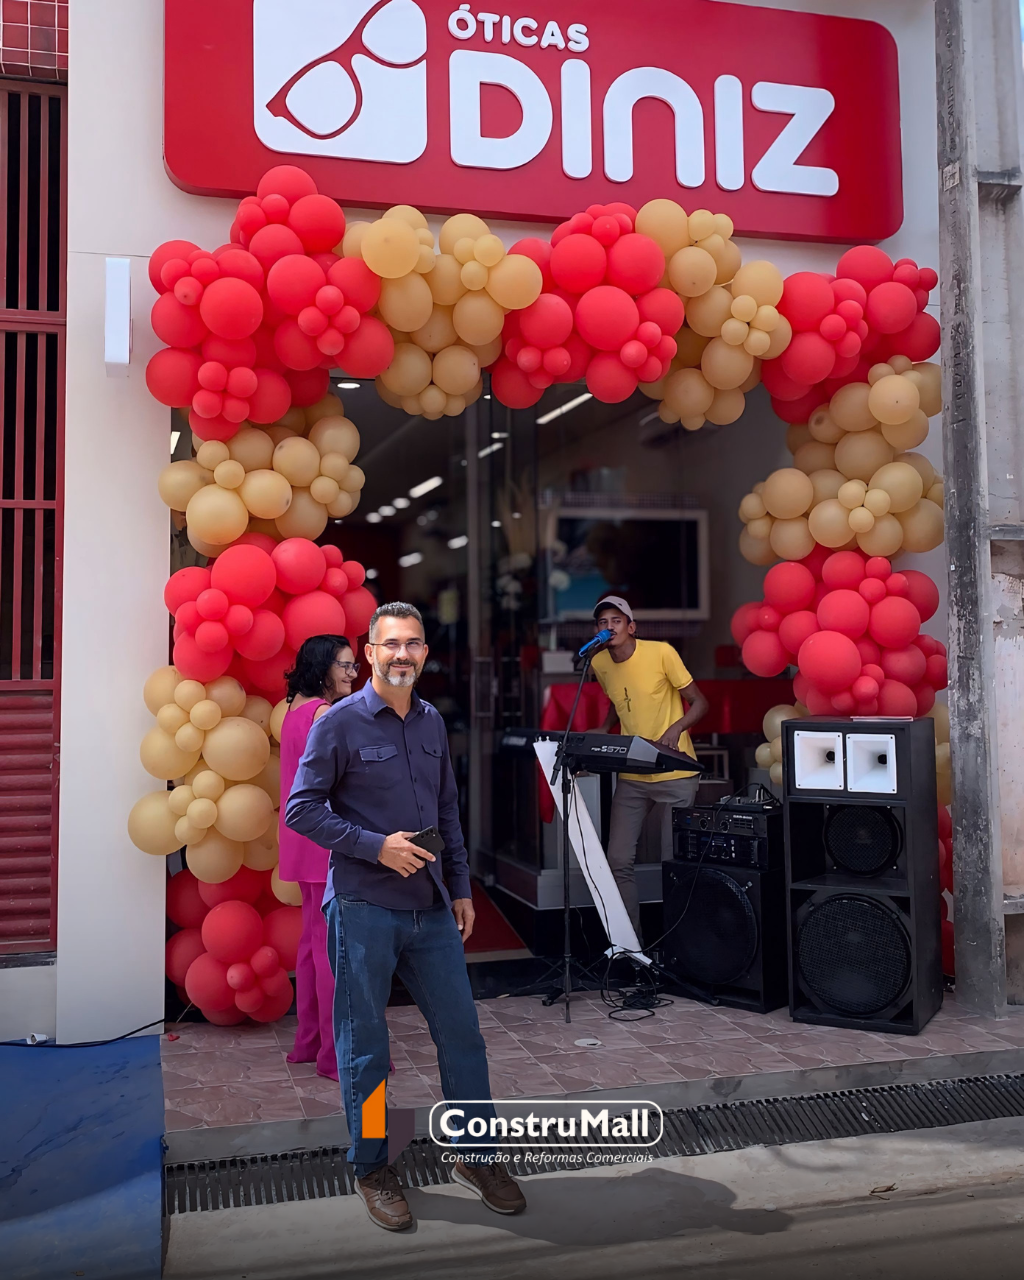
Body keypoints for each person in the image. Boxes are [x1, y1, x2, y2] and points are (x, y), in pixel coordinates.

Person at [286, 602, 526, 1231]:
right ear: (370, 652)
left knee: (463, 1037)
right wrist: (376, 847)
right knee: (366, 1048)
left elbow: (447, 811)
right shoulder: (337, 723)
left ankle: (476, 1157)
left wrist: (461, 886)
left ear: (424, 653)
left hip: (431, 910)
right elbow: (301, 809)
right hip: (363, 909)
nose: (402, 654)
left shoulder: (431, 723)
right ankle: (371, 1166)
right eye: (390, 643)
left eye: (413, 644)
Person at [589, 595, 709, 943]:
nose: (609, 627)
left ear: (631, 627)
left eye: (616, 620)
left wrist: (677, 728)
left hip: (675, 771)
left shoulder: (662, 653)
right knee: (617, 859)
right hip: (633, 773)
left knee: (673, 863)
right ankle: (631, 945)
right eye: (602, 622)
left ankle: (679, 948)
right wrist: (605, 727)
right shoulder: (599, 662)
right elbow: (620, 699)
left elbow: (700, 702)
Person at [278, 634, 357, 1081]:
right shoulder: (325, 714)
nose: (353, 674)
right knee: (334, 949)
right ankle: (336, 1053)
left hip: (300, 836)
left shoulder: (294, 710)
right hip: (325, 837)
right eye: (345, 665)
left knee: (312, 944)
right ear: (323, 668)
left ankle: (310, 1042)